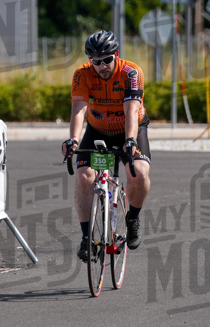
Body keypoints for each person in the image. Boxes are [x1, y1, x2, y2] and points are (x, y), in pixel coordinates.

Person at [61, 30, 151, 262]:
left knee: (138, 174)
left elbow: (131, 110)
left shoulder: (131, 72)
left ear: (116, 55)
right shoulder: (82, 74)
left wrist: (130, 140)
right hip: (98, 129)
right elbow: (79, 109)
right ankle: (86, 238)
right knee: (84, 177)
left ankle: (132, 218)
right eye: (96, 62)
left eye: (107, 60)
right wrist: (72, 139)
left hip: (129, 129)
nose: (102, 66)